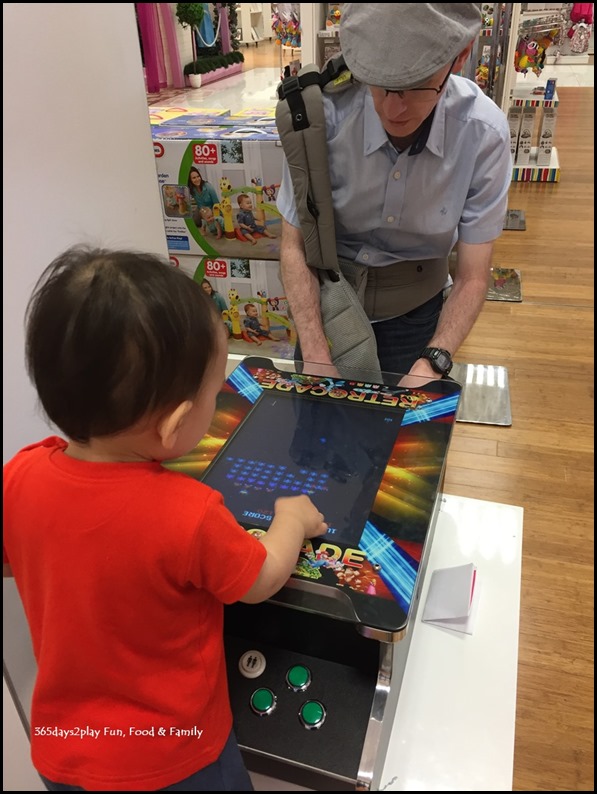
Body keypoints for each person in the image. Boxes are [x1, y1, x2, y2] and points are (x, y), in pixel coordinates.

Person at [2, 246, 327, 792]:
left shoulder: (19, 475)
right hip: (176, 761)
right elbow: (260, 578)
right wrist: (290, 520)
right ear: (176, 426)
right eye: (213, 393)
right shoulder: (189, 514)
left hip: (63, 753)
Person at [277, 3, 512, 379]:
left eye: (416, 84)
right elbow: (294, 246)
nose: (393, 108)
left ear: (460, 56)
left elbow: (473, 276)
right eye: (380, 82)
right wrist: (316, 351)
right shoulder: (322, 119)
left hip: (417, 315)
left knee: (402, 433)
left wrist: (435, 359)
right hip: (328, 307)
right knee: (316, 428)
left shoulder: (483, 135)